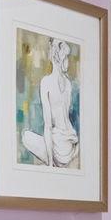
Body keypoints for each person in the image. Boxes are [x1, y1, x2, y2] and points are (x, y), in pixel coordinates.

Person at [20, 37, 80, 168]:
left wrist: (50, 163)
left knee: (26, 136)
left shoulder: (46, 82)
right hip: (71, 144)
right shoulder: (68, 84)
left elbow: (48, 126)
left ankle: (54, 162)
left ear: (52, 55)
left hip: (59, 148)